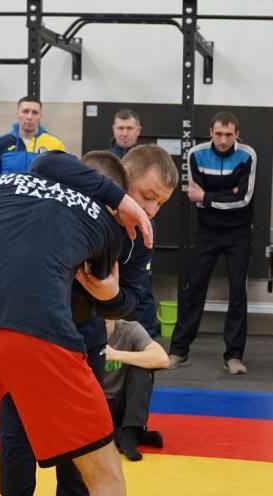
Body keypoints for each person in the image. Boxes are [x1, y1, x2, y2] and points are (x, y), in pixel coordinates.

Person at [0, 151, 153, 496]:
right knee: (104, 474)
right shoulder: (104, 219)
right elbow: (104, 298)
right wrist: (112, 293)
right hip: (42, 334)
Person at [0, 145, 178, 496]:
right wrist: (116, 198)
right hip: (29, 328)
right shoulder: (75, 195)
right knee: (17, 432)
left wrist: (111, 295)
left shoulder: (141, 236)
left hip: (83, 335)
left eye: (161, 203)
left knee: (80, 439)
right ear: (122, 179)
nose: (151, 210)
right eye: (147, 196)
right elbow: (46, 162)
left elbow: (131, 298)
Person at [168, 111, 257, 375]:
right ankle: (179, 351)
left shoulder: (248, 155)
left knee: (238, 292)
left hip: (239, 232)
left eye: (229, 134)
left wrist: (208, 197)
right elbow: (193, 196)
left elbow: (243, 199)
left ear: (237, 134)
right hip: (207, 231)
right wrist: (225, 193)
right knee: (194, 288)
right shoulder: (195, 154)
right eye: (218, 134)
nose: (223, 140)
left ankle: (234, 356)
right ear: (210, 132)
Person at [109, 108, 158, 338]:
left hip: (142, 233)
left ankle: (147, 339)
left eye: (129, 128)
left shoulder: (150, 162)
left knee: (142, 287)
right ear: (113, 130)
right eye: (120, 128)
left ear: (138, 131)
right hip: (112, 234)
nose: (124, 133)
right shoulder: (107, 161)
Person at [104, 319, 169, 461]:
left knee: (142, 369)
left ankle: (130, 434)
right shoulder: (81, 332)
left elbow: (162, 359)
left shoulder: (129, 328)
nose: (104, 319)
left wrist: (114, 354)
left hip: (122, 404)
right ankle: (131, 435)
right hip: (95, 407)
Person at [0, 96, 66, 179]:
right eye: (25, 111)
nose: (29, 117)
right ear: (17, 114)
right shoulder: (0, 143)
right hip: (8, 188)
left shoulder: (55, 145)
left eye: (35, 112)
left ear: (40, 116)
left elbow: (62, 178)